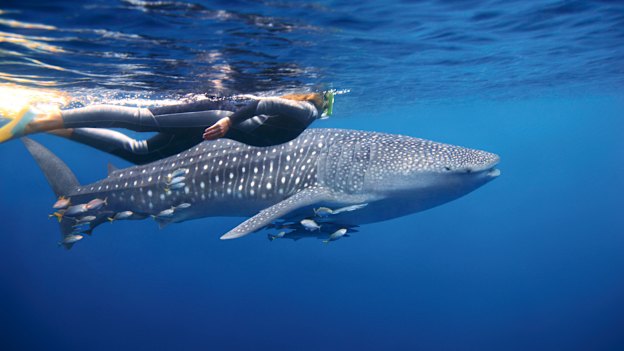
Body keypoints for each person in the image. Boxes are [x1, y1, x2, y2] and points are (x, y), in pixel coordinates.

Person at [0, 91, 334, 164]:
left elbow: (265, 109)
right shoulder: (304, 110)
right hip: (217, 116)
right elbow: (264, 105)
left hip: (218, 126)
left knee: (142, 154)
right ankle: (43, 118)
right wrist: (229, 121)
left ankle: (50, 126)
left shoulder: (308, 113)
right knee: (143, 119)